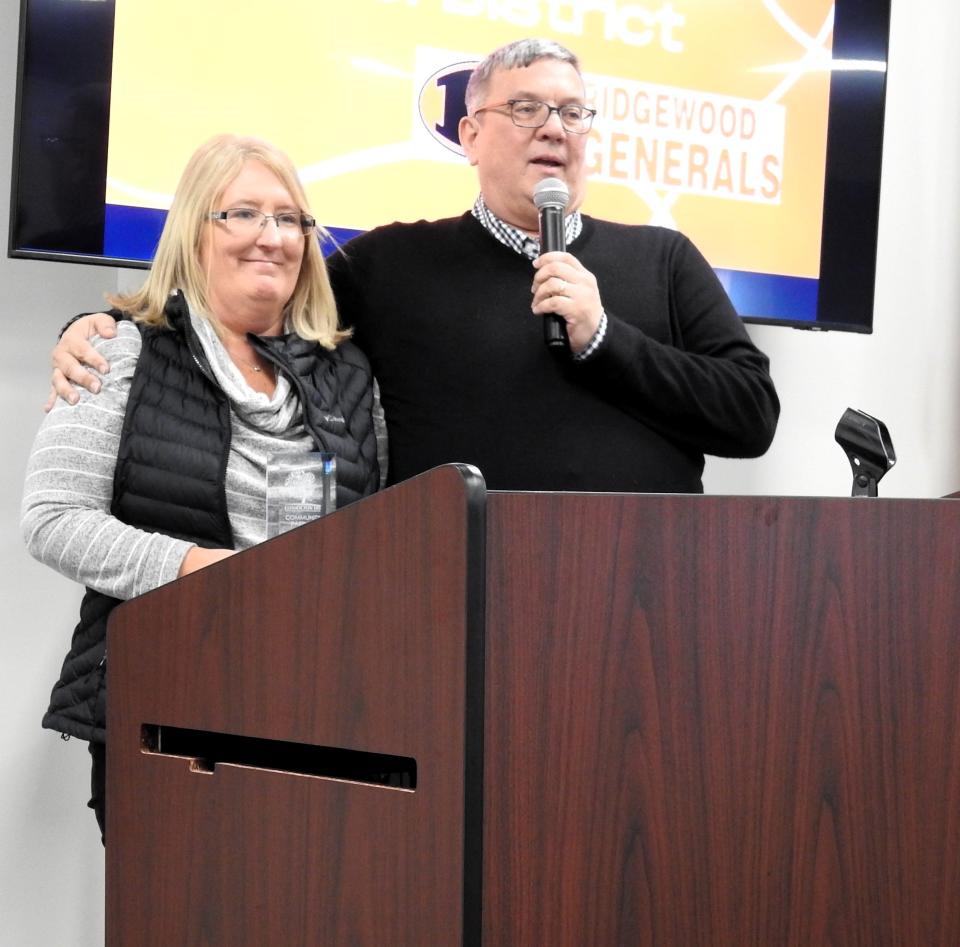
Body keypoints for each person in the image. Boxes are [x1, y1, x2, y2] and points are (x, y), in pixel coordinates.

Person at [48, 37, 778, 494]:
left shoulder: (664, 258)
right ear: (469, 134)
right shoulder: (393, 261)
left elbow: (751, 417)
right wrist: (101, 326)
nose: (554, 128)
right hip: (447, 605)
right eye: (525, 108)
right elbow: (246, 312)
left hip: (640, 607)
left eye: (572, 113)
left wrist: (605, 337)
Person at [22, 134, 380, 841]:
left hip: (320, 712)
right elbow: (53, 518)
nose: (270, 237)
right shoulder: (118, 349)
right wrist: (208, 572)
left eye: (290, 220)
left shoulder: (351, 376)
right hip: (167, 707)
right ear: (194, 229)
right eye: (242, 213)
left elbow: (373, 537)